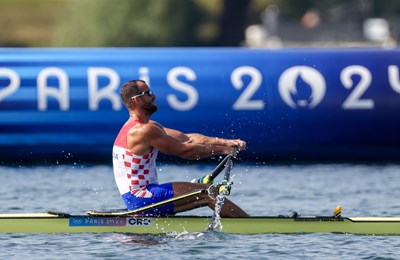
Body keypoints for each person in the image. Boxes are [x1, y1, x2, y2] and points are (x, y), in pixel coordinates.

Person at [112, 79, 249, 217]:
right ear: (137, 100)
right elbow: (185, 151)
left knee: (206, 192)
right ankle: (250, 228)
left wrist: (226, 143)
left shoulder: (147, 126)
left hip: (142, 197)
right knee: (209, 193)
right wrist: (222, 151)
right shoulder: (142, 131)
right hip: (142, 196)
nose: (154, 96)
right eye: (148, 93)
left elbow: (187, 138)